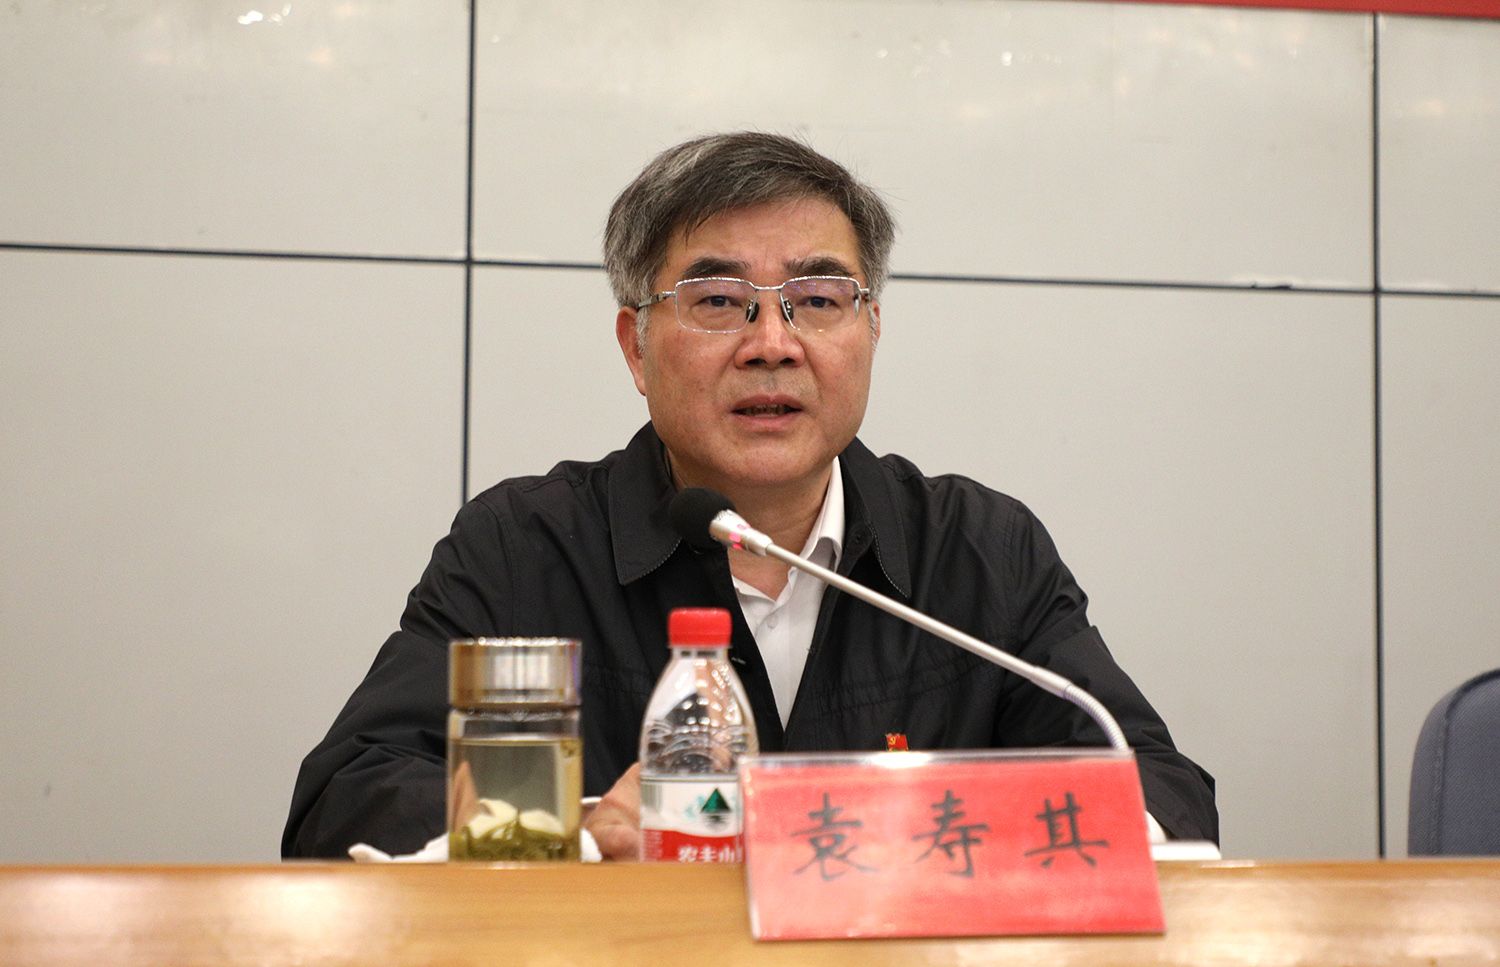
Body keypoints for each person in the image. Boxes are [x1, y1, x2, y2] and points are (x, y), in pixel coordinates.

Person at [282, 131, 1217, 860]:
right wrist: (572, 835)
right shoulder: (524, 547)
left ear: (871, 330)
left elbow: (1162, 794)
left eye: (819, 299)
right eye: (720, 301)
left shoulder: (979, 550)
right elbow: (348, 800)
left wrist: (949, 831)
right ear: (635, 347)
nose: (773, 343)